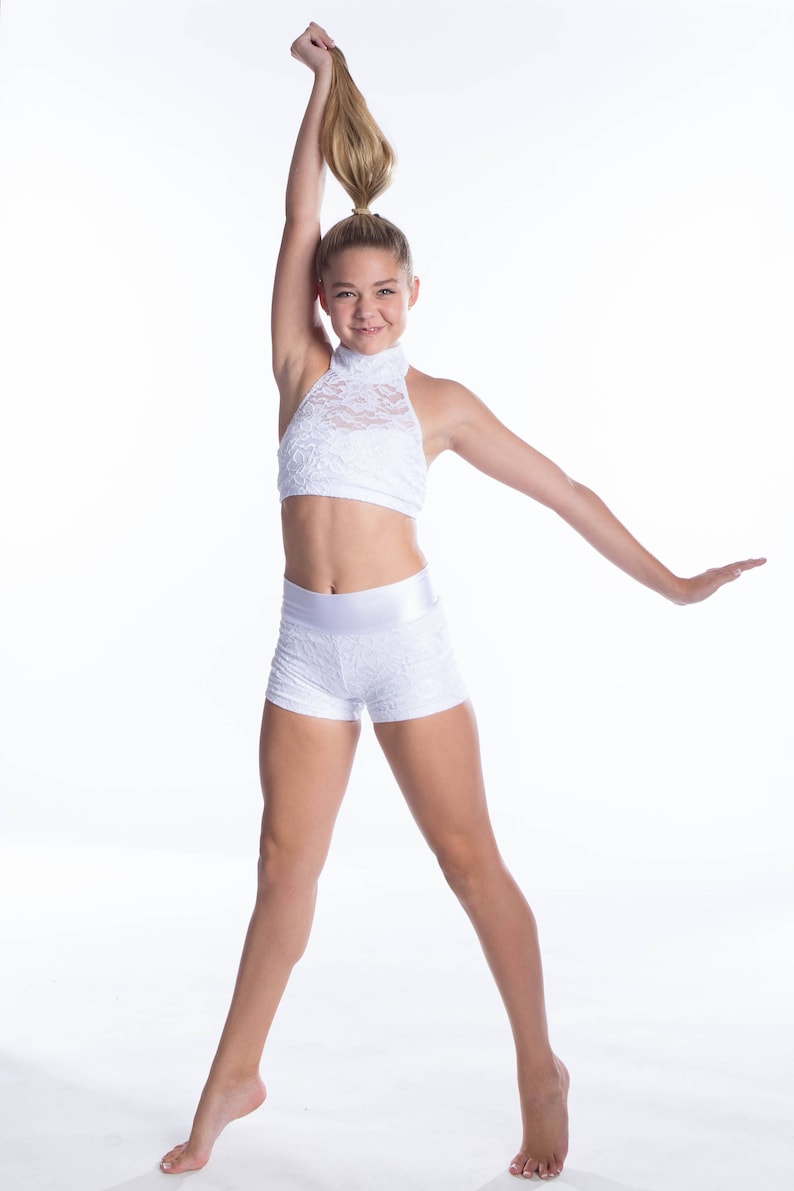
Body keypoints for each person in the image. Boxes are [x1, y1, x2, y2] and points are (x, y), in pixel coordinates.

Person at [160, 21, 766, 1183]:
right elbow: (295, 217)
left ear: (413, 294)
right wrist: (323, 86)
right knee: (282, 866)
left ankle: (539, 1067)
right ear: (320, 301)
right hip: (305, 652)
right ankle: (232, 1076)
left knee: (468, 862)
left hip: (403, 650)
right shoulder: (298, 371)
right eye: (345, 294)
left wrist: (674, 583)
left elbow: (566, 492)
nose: (364, 310)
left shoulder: (437, 404)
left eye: (383, 292)